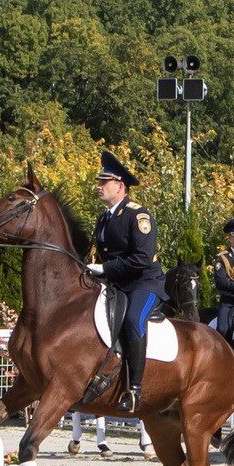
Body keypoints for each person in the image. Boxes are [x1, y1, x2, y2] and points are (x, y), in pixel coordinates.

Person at [86, 150, 161, 414]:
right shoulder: (104, 218)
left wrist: (105, 268)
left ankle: (135, 390)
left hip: (143, 283)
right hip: (116, 283)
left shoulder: (137, 215)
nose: (98, 187)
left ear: (119, 186)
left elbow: (141, 258)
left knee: (132, 321)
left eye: (103, 182)